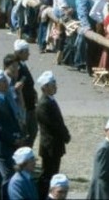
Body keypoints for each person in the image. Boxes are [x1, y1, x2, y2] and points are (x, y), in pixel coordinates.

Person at [0, 69, 25, 186]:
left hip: (11, 145)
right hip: (1, 148)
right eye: (3, 81)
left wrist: (19, 135)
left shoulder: (5, 98)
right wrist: (13, 140)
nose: (6, 83)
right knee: (5, 179)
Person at [35, 71, 70, 200]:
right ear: (45, 87)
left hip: (55, 144)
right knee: (48, 174)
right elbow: (53, 125)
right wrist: (65, 135)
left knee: (53, 172)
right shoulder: (44, 103)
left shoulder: (50, 100)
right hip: (50, 145)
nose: (55, 87)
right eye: (52, 84)